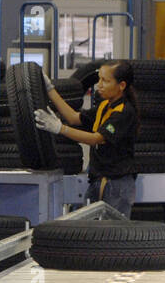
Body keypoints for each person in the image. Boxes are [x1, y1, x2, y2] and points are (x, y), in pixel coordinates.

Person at [33, 61, 140, 217]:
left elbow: (96, 139)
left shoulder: (124, 112)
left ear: (121, 85)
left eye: (106, 81)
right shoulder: (104, 106)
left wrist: (60, 129)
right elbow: (73, 117)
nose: (99, 85)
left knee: (113, 236)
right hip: (98, 179)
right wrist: (50, 89)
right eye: (99, 79)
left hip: (117, 185)